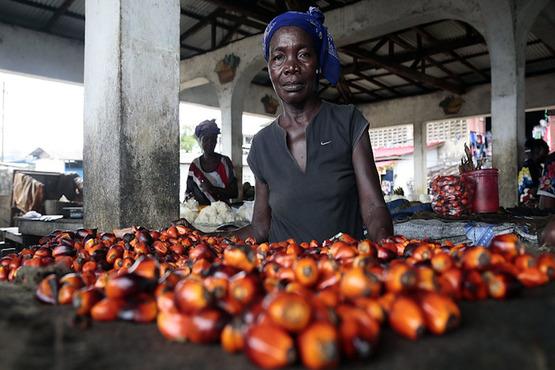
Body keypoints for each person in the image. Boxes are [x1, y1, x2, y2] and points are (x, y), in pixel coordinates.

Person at [233, 7, 393, 243]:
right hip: (283, 274)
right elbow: (260, 228)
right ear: (270, 69)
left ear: (318, 62)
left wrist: (385, 249)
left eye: (303, 54)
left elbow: (372, 208)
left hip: (343, 273)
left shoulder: (348, 122)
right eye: (278, 57)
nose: (290, 67)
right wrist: (202, 239)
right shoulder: (262, 144)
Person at [185, 119, 238, 205]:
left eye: (213, 139)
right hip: (201, 214)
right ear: (200, 141)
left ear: (216, 140)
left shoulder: (224, 162)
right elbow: (189, 193)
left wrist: (212, 189)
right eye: (206, 139)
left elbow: (234, 193)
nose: (210, 143)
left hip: (223, 213)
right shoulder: (195, 166)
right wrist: (190, 201)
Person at [518, 138, 549, 206]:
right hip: (527, 205)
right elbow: (536, 190)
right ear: (537, 150)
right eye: (546, 150)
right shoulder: (529, 167)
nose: (548, 152)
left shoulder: (536, 166)